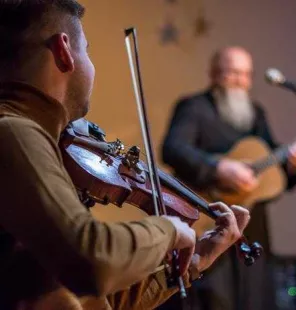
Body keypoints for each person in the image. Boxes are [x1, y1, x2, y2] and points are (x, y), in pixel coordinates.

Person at [0, 2, 251, 310]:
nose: (91, 66)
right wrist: (168, 230)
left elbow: (95, 302)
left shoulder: (37, 141)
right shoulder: (13, 132)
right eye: (87, 50)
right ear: (64, 51)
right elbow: (92, 260)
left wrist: (198, 258)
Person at [161, 46, 296, 310]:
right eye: (232, 72)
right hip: (208, 221)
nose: (240, 80)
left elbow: (273, 172)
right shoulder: (194, 107)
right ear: (214, 74)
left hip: (252, 229)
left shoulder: (256, 113)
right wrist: (217, 168)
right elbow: (173, 148)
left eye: (245, 74)